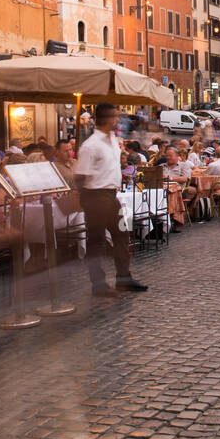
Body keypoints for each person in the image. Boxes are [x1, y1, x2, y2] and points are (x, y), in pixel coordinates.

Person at [74, 103, 148, 296]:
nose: (117, 120)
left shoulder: (113, 140)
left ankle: (123, 278)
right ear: (105, 119)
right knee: (96, 241)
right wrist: (87, 200)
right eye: (114, 116)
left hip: (111, 195)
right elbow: (80, 176)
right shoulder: (90, 145)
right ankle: (98, 283)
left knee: (123, 233)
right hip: (95, 195)